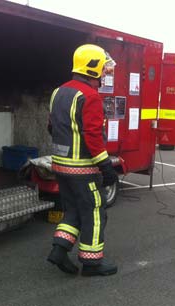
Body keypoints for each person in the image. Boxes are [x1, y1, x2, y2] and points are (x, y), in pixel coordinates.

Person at [46, 44, 119, 276]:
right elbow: (93, 136)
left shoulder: (58, 92)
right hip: (82, 169)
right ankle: (92, 262)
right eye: (103, 67)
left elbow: (51, 127)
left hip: (60, 165)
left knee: (74, 210)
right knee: (96, 211)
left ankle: (59, 250)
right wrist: (106, 166)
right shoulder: (90, 96)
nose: (105, 72)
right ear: (93, 67)